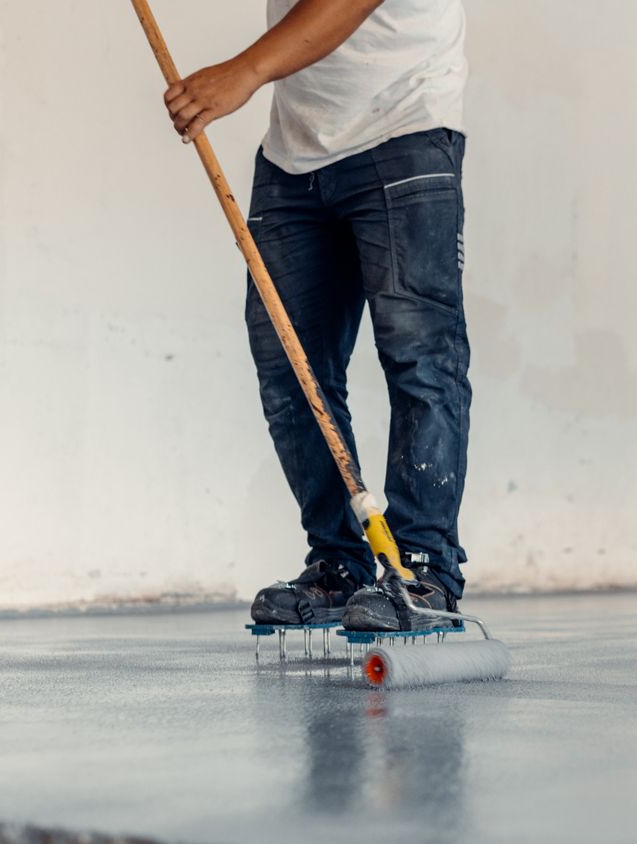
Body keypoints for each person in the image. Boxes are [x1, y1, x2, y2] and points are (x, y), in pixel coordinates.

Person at [163, 0, 473, 628]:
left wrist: (246, 72)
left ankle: (421, 568)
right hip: (294, 156)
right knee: (290, 372)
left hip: (403, 128)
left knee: (419, 359)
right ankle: (338, 564)